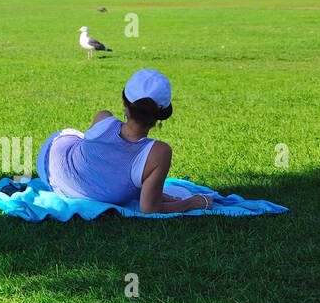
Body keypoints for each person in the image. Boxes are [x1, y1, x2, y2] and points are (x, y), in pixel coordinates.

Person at [36, 69, 213, 213]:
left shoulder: (103, 118)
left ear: (124, 103)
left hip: (50, 168)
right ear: (161, 116)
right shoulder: (159, 153)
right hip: (57, 168)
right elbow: (149, 209)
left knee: (91, 147)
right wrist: (192, 203)